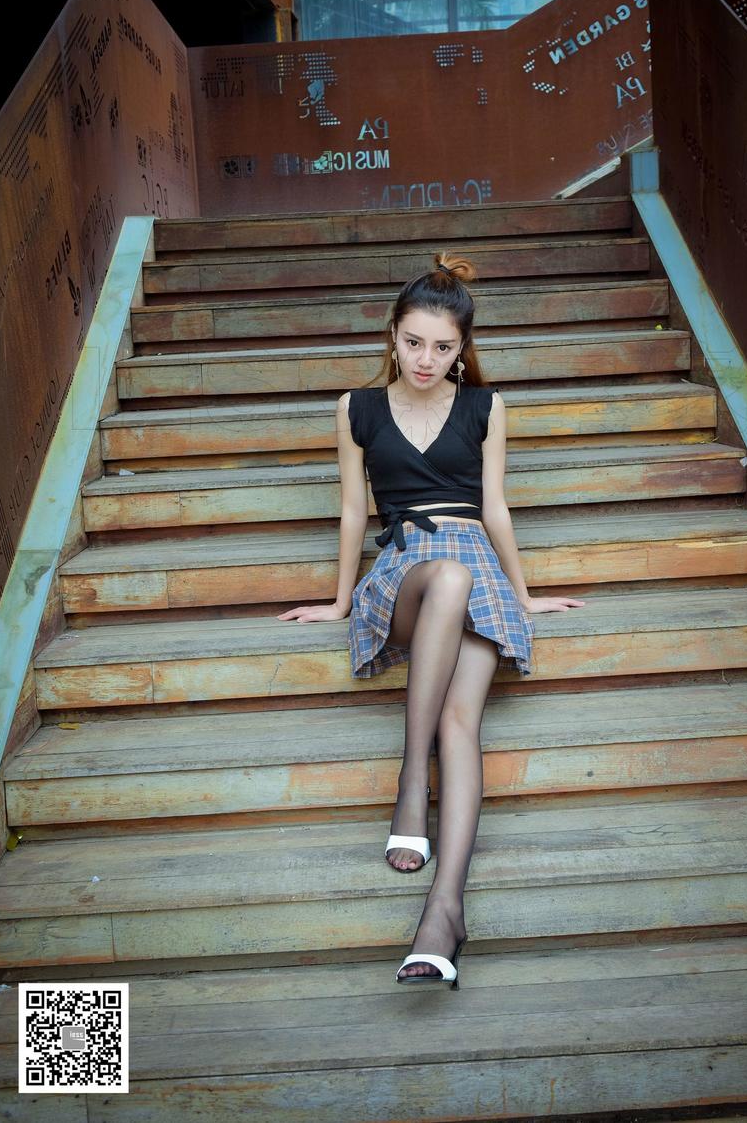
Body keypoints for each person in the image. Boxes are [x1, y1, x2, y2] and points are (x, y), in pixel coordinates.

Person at [277, 250, 584, 988]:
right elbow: (353, 512)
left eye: (444, 348)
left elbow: (495, 508)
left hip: (477, 566)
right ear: (392, 335)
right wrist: (340, 601)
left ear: (462, 349)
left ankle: (444, 916)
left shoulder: (485, 406)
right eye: (414, 342)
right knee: (446, 576)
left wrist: (524, 595)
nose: (426, 359)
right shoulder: (356, 409)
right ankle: (413, 776)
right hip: (406, 574)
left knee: (461, 721)